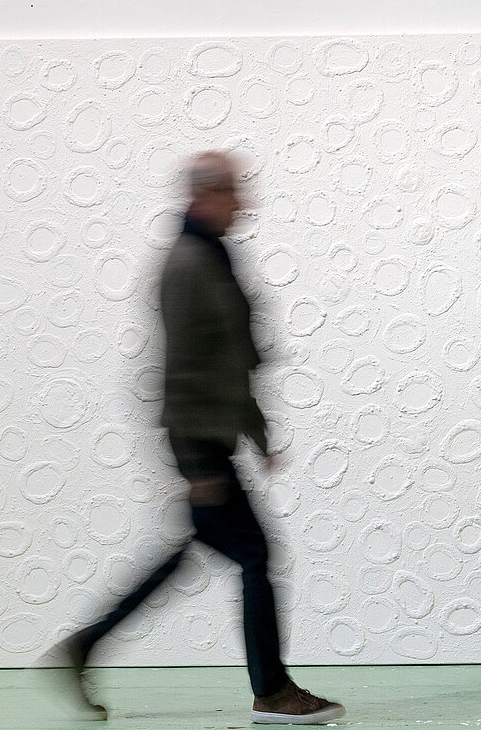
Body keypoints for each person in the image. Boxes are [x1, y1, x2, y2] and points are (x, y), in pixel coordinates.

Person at [46, 151, 345, 725]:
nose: (244, 203)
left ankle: (86, 645)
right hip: (200, 442)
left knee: (195, 552)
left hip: (211, 438)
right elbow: (180, 369)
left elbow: (230, 354)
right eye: (234, 191)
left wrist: (258, 434)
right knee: (254, 554)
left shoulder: (212, 255)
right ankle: (272, 692)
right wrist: (196, 465)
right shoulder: (187, 263)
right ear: (205, 195)